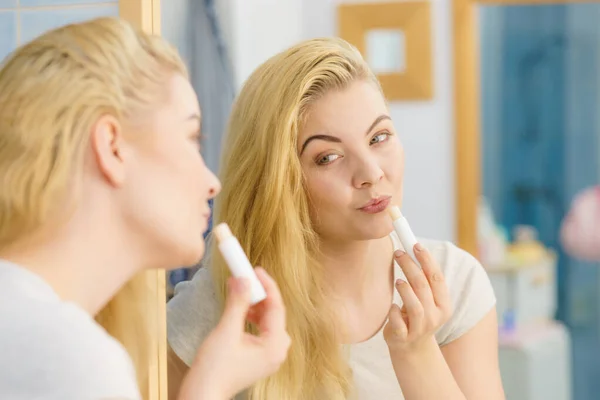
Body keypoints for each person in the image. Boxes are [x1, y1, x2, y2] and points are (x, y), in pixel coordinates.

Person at [167, 38, 506, 399]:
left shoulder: (458, 284)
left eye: (379, 137)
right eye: (328, 157)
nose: (371, 173)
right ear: (276, 183)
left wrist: (418, 353)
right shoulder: (224, 304)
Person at [0, 17, 290, 400]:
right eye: (192, 138)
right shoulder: (68, 358)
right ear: (112, 146)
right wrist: (212, 388)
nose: (212, 182)